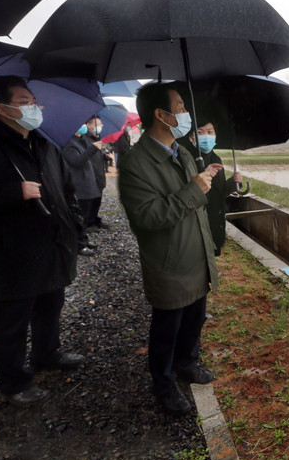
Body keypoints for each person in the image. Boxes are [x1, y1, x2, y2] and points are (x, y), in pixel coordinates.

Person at [0, 75, 86, 407]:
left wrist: (75, 225)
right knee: (12, 319)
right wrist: (14, 191)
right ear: (0, 108)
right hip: (10, 252)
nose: (34, 108)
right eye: (26, 102)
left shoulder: (43, 143)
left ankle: (47, 353)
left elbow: (66, 189)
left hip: (52, 242)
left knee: (50, 306)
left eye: (34, 102)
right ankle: (13, 381)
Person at [117, 82, 222, 416]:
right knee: (167, 328)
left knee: (194, 319)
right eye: (180, 107)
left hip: (196, 255)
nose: (186, 113)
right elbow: (147, 217)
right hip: (169, 261)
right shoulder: (136, 164)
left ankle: (187, 364)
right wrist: (193, 190)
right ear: (160, 115)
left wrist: (203, 182)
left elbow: (195, 205)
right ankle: (163, 386)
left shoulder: (184, 153)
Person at [179, 117, 243, 256]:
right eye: (200, 132)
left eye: (210, 132)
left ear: (215, 136)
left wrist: (234, 182)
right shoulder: (186, 159)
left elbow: (221, 191)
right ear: (191, 138)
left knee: (211, 255)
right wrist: (204, 173)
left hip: (216, 218)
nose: (206, 136)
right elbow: (185, 191)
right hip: (197, 221)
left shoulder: (216, 159)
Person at [63, 119, 104, 256]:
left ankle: (84, 240)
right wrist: (93, 148)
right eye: (80, 123)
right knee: (79, 217)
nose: (83, 126)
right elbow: (77, 162)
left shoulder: (79, 140)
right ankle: (79, 244)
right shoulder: (68, 143)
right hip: (80, 187)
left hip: (87, 185)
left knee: (85, 216)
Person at [83, 117, 112, 231]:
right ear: (89, 125)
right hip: (92, 174)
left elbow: (96, 155)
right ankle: (89, 224)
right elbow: (86, 156)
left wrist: (104, 156)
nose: (100, 127)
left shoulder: (97, 137)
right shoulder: (85, 139)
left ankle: (95, 220)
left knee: (97, 199)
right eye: (97, 124)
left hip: (99, 173)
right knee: (91, 200)